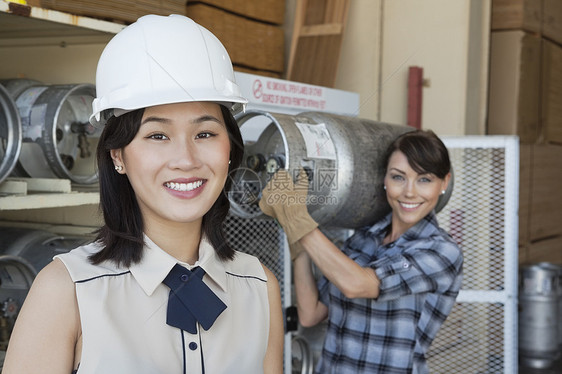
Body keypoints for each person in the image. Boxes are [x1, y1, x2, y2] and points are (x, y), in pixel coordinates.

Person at [3, 15, 284, 374]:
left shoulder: (259, 286)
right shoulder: (66, 290)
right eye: (157, 136)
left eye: (205, 134)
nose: (186, 160)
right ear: (117, 155)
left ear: (230, 149)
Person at [259, 129, 463, 373]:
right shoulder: (363, 238)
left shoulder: (442, 252)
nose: (410, 191)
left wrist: (299, 220)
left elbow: (358, 284)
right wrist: (298, 244)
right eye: (398, 177)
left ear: (444, 183)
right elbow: (310, 313)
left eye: (424, 179)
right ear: (384, 180)